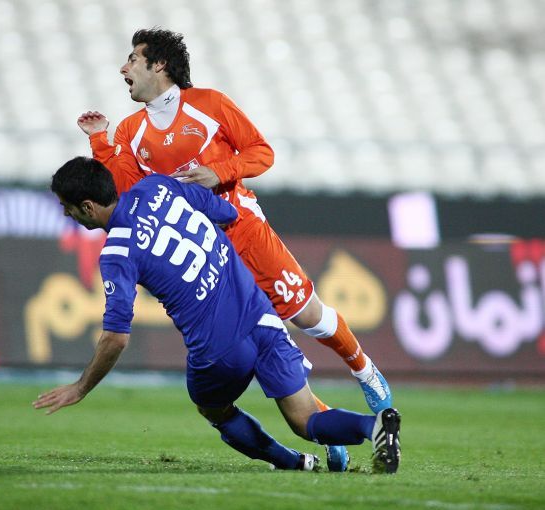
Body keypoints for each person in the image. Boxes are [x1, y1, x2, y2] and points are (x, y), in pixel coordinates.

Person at [76, 28, 392, 417]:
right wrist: (100, 140)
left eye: (133, 59)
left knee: (305, 314)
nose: (123, 68)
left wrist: (219, 172)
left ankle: (365, 370)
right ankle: (324, 427)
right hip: (200, 250)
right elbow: (125, 190)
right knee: (259, 341)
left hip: (241, 227)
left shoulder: (209, 104)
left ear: (159, 65)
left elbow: (261, 153)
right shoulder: (130, 130)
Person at [34, 157, 401, 475]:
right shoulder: (156, 187)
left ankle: (291, 462)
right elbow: (227, 213)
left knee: (212, 407)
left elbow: (115, 337)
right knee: (306, 420)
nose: (66, 214)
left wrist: (80, 387)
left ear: (87, 206)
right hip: (262, 318)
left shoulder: (117, 252)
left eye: (67, 207)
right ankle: (374, 428)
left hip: (218, 349)